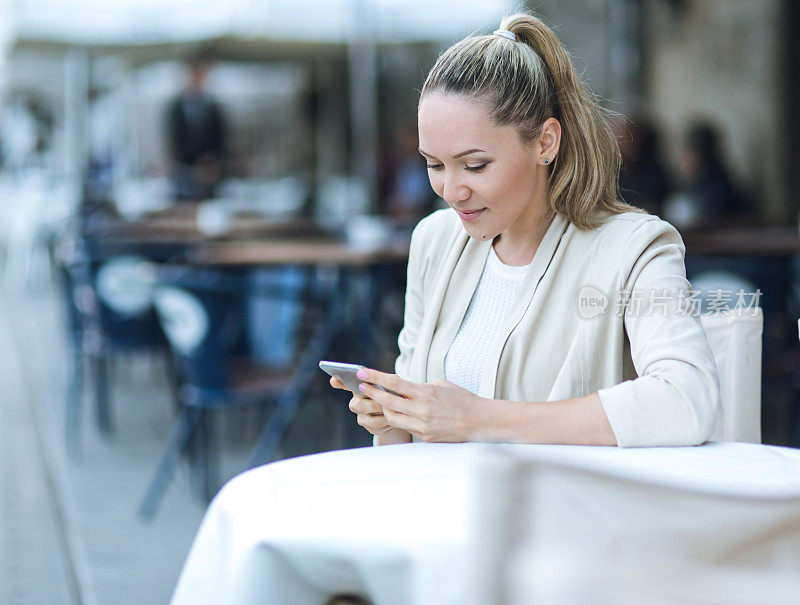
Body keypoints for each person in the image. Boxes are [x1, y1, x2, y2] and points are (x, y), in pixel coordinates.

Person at [329, 13, 720, 448]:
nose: (451, 190)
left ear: (544, 142)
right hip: (445, 506)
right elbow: (423, 432)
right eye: (434, 165)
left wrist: (480, 419)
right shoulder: (434, 241)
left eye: (475, 165)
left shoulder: (635, 249)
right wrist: (397, 417)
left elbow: (686, 400)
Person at [166, 56, 227, 200]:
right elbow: (174, 140)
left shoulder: (213, 107)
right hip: (185, 170)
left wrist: (212, 161)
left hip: (210, 171)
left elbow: (221, 138)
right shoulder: (176, 108)